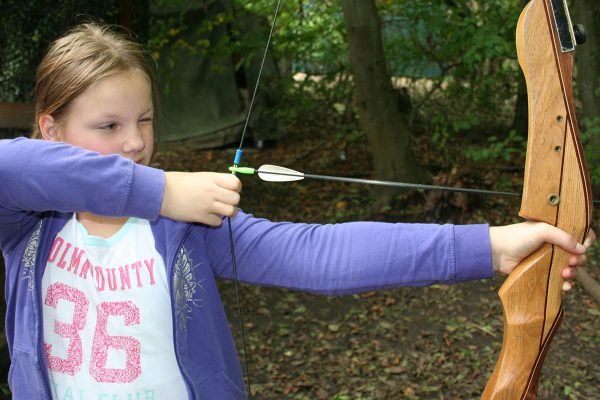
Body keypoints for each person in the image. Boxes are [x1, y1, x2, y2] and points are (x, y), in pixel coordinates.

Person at [0, 23, 594, 400]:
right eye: (108, 126)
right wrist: (158, 191)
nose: (135, 143)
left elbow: (319, 255)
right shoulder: (28, 227)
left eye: (145, 120)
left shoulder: (182, 229)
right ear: (50, 130)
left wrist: (489, 246)